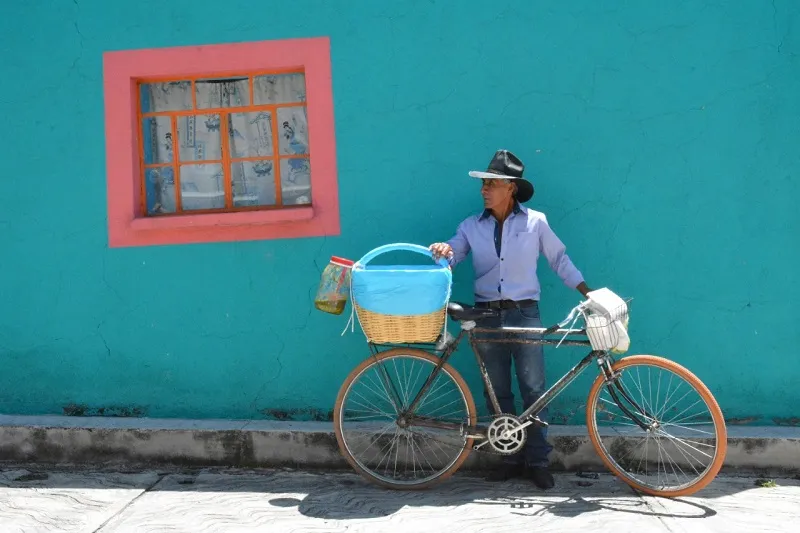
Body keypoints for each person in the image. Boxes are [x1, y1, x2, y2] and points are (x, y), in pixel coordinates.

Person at [429, 149, 591, 490]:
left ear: (511, 188)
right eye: (484, 183)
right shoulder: (471, 226)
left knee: (534, 389)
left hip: (524, 313)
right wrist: (443, 251)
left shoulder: (536, 223)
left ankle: (537, 460)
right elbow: (454, 252)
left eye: (492, 183)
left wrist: (588, 293)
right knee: (497, 390)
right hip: (486, 315)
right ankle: (509, 457)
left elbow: (559, 260)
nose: (484, 189)